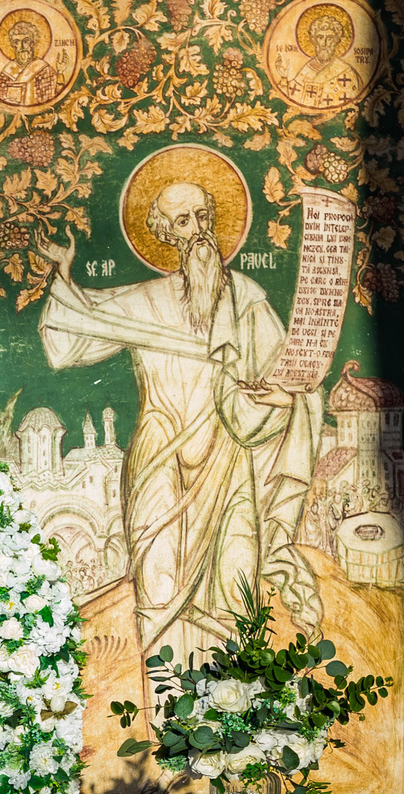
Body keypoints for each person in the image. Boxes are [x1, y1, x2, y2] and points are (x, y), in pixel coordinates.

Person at [32, 174, 320, 664]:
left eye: (205, 217)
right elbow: (68, 339)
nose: (199, 230)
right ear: (165, 233)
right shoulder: (144, 302)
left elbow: (294, 385)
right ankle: (167, 725)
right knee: (159, 584)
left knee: (236, 584)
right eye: (184, 220)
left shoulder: (246, 298)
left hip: (229, 463)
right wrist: (62, 275)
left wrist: (280, 399)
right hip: (158, 460)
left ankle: (236, 719)